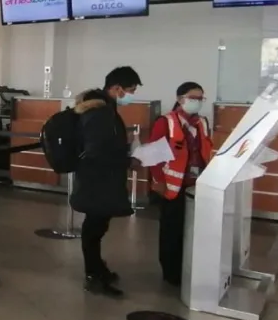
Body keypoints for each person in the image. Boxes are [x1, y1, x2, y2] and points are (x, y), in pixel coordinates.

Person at [71, 66, 142, 298]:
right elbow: (97, 150)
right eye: (129, 90)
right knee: (93, 228)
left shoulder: (104, 109)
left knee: (97, 227)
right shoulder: (100, 112)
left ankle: (98, 269)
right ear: (116, 88)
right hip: (97, 181)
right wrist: (126, 159)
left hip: (100, 180)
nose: (131, 95)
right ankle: (93, 275)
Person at [149, 81, 212, 286]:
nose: (197, 102)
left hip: (196, 185)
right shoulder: (165, 122)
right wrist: (158, 181)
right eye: (192, 98)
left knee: (191, 231)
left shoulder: (202, 122)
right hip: (172, 186)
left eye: (200, 99)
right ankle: (171, 273)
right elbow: (153, 155)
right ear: (179, 99)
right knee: (171, 231)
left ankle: (188, 269)